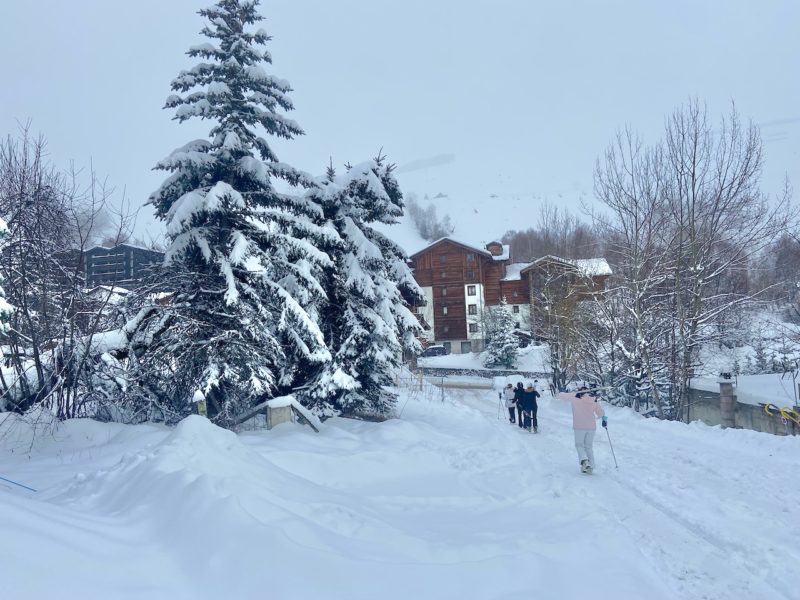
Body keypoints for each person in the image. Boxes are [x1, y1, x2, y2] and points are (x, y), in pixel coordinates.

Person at [560, 386, 606, 473]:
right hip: (591, 427)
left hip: (579, 427)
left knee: (579, 445)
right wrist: (604, 419)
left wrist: (560, 392)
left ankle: (585, 461)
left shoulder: (575, 397)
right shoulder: (594, 400)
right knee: (589, 447)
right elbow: (601, 413)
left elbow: (561, 396)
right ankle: (590, 466)